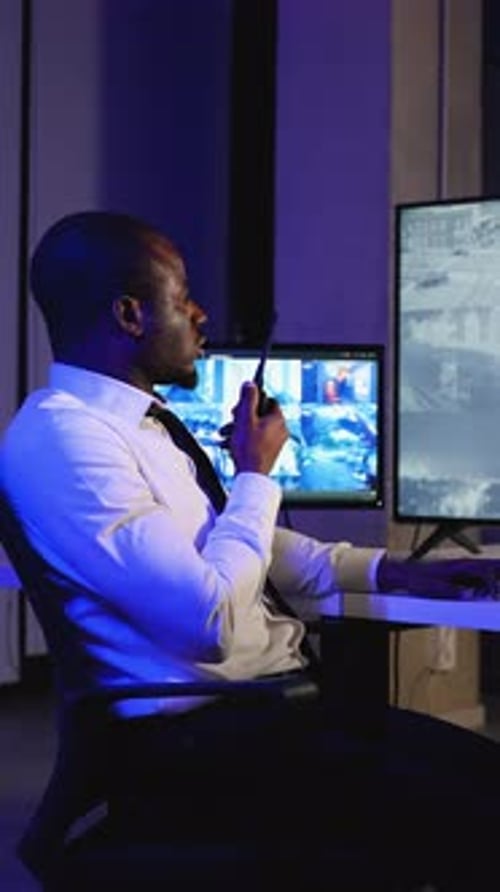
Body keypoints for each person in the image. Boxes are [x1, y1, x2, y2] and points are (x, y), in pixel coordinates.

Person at [2, 210, 500, 890]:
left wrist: (406, 572)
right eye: (183, 300)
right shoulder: (63, 441)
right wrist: (256, 475)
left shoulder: (142, 428)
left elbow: (244, 545)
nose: (200, 315)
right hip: (203, 736)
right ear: (129, 315)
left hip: (277, 713)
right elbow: (210, 622)